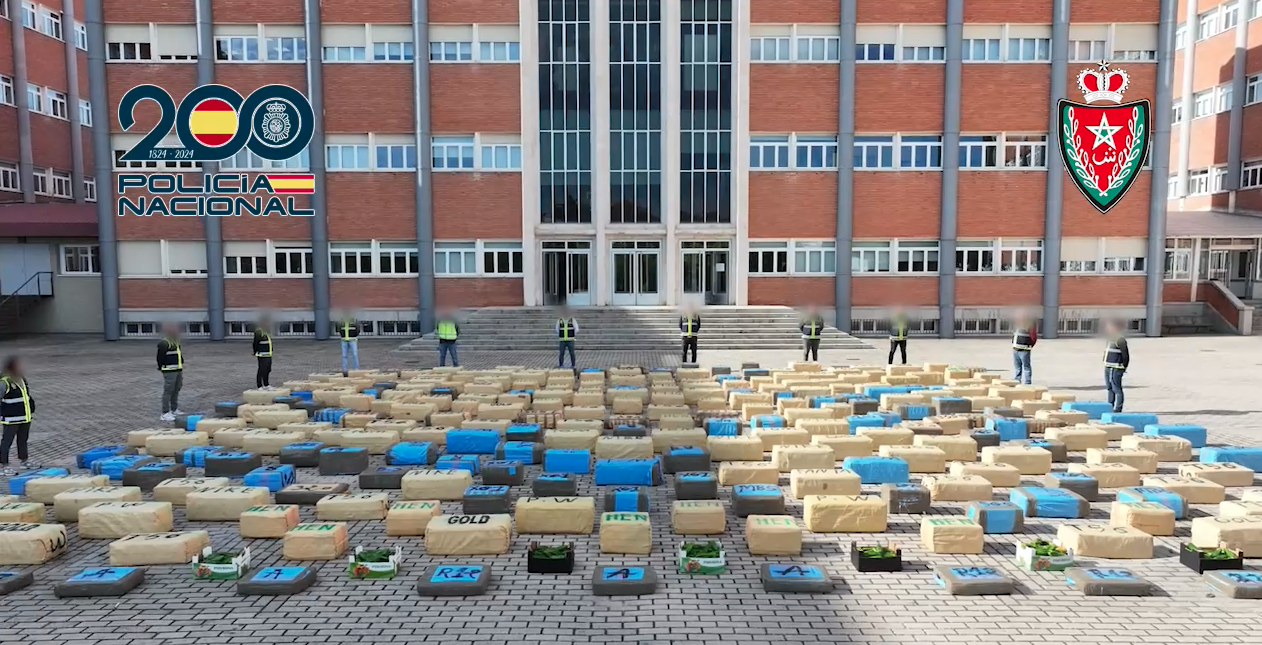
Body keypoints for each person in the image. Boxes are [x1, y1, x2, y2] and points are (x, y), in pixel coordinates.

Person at [0, 356, 35, 472]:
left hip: (25, 416)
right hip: (11, 418)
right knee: (7, 441)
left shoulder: (21, 378)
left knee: (23, 440)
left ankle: (24, 461)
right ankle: (3, 465)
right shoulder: (4, 382)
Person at [156, 322, 184, 422]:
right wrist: (161, 367)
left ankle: (174, 409)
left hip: (177, 369)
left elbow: (178, 355)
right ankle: (165, 412)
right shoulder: (165, 343)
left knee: (176, 388)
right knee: (168, 390)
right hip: (169, 370)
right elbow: (160, 357)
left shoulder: (175, 341)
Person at [1103, 318, 1131, 413]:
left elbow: (1125, 355)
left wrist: (1124, 367)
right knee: (1109, 388)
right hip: (1108, 366)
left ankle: (1118, 408)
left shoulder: (1120, 339)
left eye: (1109, 326)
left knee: (1116, 389)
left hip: (1116, 367)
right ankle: (1109, 406)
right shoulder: (1109, 338)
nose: (1108, 328)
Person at [1011, 314, 1038, 385]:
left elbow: (1033, 337)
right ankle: (1017, 380)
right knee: (1017, 367)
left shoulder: (1029, 325)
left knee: (1026, 367)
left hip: (1024, 349)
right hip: (1016, 349)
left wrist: (1029, 345)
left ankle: (1027, 382)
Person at [253, 315, 274, 389]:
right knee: (261, 370)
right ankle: (259, 385)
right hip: (262, 355)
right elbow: (255, 343)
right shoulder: (259, 331)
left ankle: (266, 384)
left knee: (268, 370)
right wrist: (255, 352)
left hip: (268, 354)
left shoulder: (266, 330)